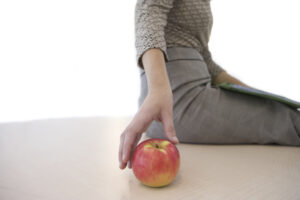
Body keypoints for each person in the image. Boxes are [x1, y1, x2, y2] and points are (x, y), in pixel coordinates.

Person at [119, 0, 300, 170]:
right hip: (180, 99)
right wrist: (158, 90)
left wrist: (255, 94)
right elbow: (148, 12)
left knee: (280, 110)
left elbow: (206, 61)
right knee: (291, 122)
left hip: (189, 92)